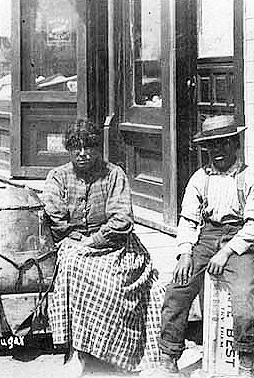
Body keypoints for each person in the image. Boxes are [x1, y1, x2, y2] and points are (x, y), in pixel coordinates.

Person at [42, 119, 162, 374]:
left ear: (98, 149)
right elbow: (55, 216)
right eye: (77, 148)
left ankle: (115, 351)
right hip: (74, 243)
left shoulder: (113, 174)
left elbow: (121, 220)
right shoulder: (58, 177)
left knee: (119, 282)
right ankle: (80, 350)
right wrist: (77, 238)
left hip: (115, 244)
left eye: (89, 147)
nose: (83, 154)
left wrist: (95, 240)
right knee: (73, 268)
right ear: (69, 150)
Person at [157, 115, 254, 377]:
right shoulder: (200, 178)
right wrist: (185, 252)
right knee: (178, 287)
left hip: (240, 239)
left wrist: (228, 250)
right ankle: (169, 356)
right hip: (207, 236)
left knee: (245, 292)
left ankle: (246, 360)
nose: (218, 151)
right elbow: (188, 218)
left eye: (224, 144)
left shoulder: (250, 178)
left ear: (235, 144)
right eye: (212, 146)